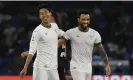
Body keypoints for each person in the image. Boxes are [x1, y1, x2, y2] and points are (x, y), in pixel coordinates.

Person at [58, 10, 111, 80]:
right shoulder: (71, 32)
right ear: (78, 20)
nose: (86, 21)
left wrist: (107, 64)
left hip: (88, 67)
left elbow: (101, 50)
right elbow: (58, 44)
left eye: (87, 19)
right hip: (76, 67)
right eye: (83, 19)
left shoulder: (95, 34)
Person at [20, 4, 64, 80]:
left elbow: (62, 35)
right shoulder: (37, 31)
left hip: (53, 68)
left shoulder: (54, 26)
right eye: (41, 14)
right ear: (39, 16)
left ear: (50, 13)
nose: (44, 15)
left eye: (46, 12)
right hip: (40, 68)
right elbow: (32, 51)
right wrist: (25, 67)